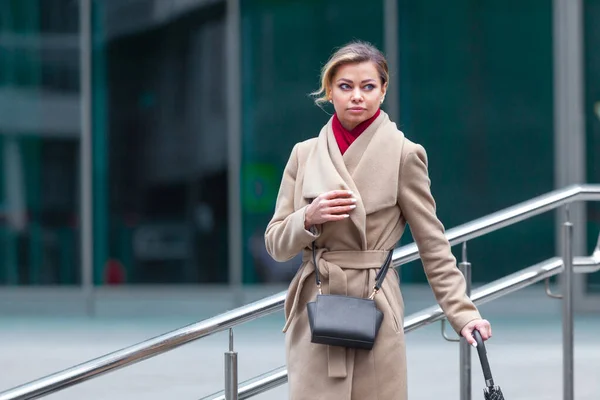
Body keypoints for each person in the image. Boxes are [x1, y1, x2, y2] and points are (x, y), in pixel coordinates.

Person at [264, 41, 492, 400]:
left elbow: (432, 244)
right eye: (345, 86)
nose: (357, 96)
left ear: (383, 91)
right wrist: (308, 217)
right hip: (317, 305)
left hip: (376, 304)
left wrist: (464, 314)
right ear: (330, 92)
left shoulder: (404, 154)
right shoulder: (303, 155)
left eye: (368, 86)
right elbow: (276, 244)